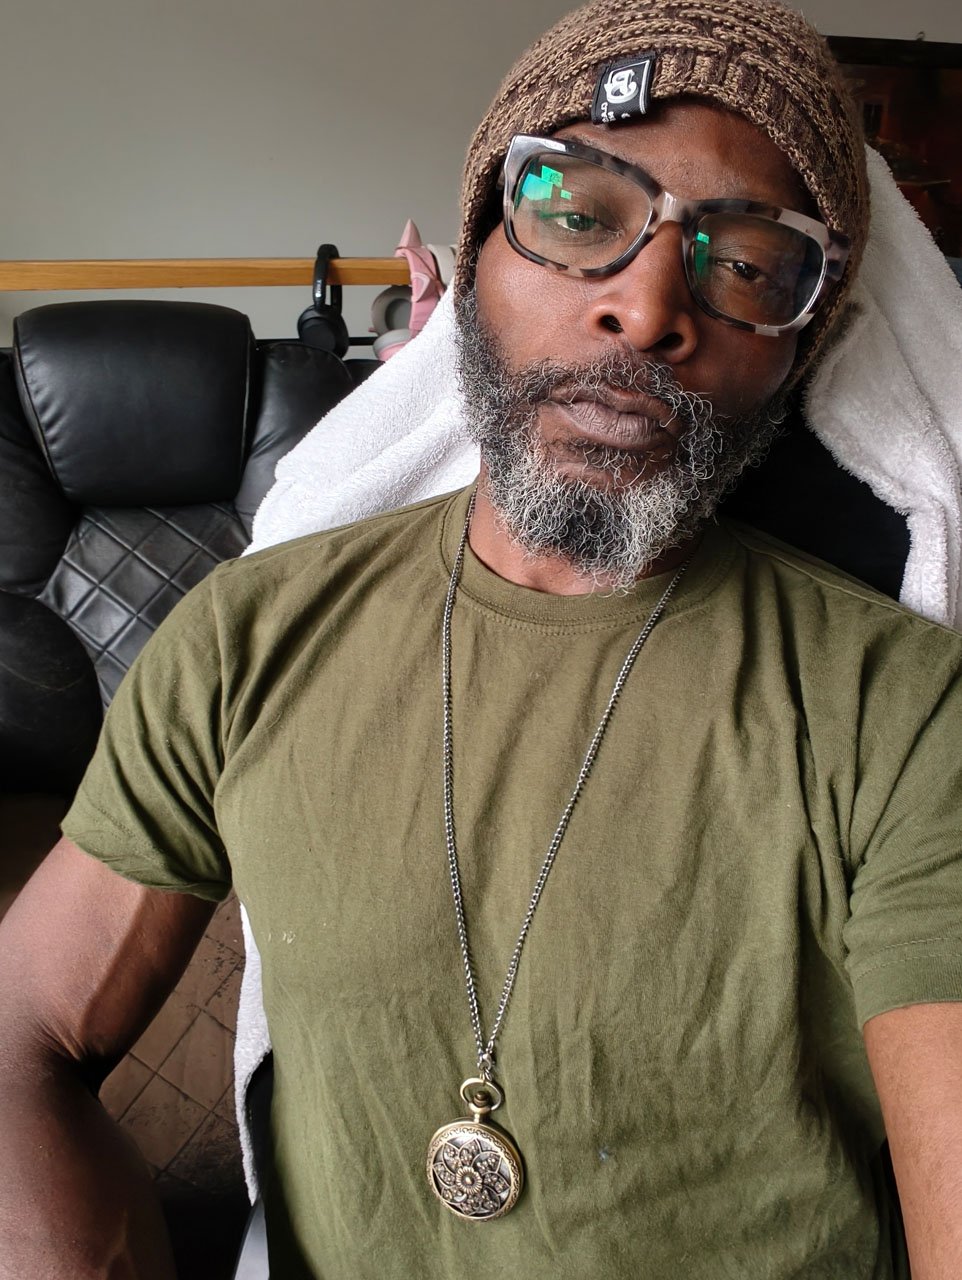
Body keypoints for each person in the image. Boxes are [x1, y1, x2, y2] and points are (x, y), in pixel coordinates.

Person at [2, 0, 962, 1276]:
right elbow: (24, 1023)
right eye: (575, 212)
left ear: (799, 347)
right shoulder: (248, 635)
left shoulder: (897, 705)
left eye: (744, 260)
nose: (644, 305)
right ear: (475, 261)